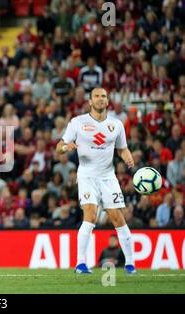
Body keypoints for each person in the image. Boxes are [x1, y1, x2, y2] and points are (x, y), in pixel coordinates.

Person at [56, 87, 136, 274]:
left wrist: (128, 157)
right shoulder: (77, 122)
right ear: (90, 101)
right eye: (97, 96)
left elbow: (122, 148)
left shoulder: (116, 125)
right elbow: (59, 147)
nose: (101, 99)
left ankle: (130, 264)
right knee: (90, 215)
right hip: (86, 176)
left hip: (108, 177)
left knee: (117, 218)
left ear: (108, 101)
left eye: (104, 96)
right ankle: (80, 263)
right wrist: (67, 147)